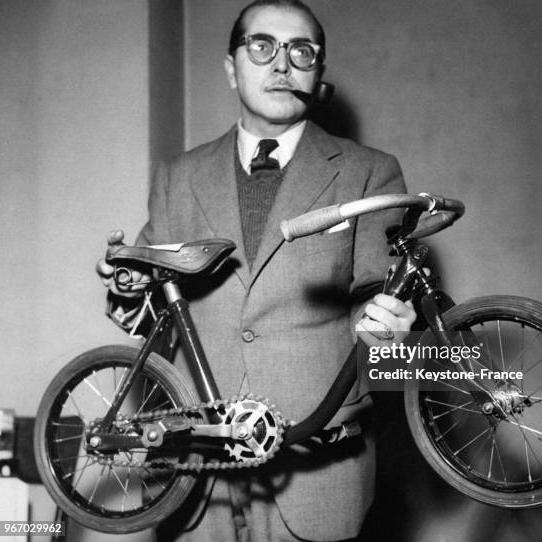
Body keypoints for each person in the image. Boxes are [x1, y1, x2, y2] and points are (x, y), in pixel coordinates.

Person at [96, 1, 416, 540]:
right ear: (231, 67)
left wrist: (393, 331)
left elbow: (377, 305)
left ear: (317, 76)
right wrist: (122, 283)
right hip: (195, 474)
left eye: (302, 52)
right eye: (262, 46)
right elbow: (152, 306)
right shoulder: (179, 176)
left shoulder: (370, 172)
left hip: (315, 470)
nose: (282, 64)